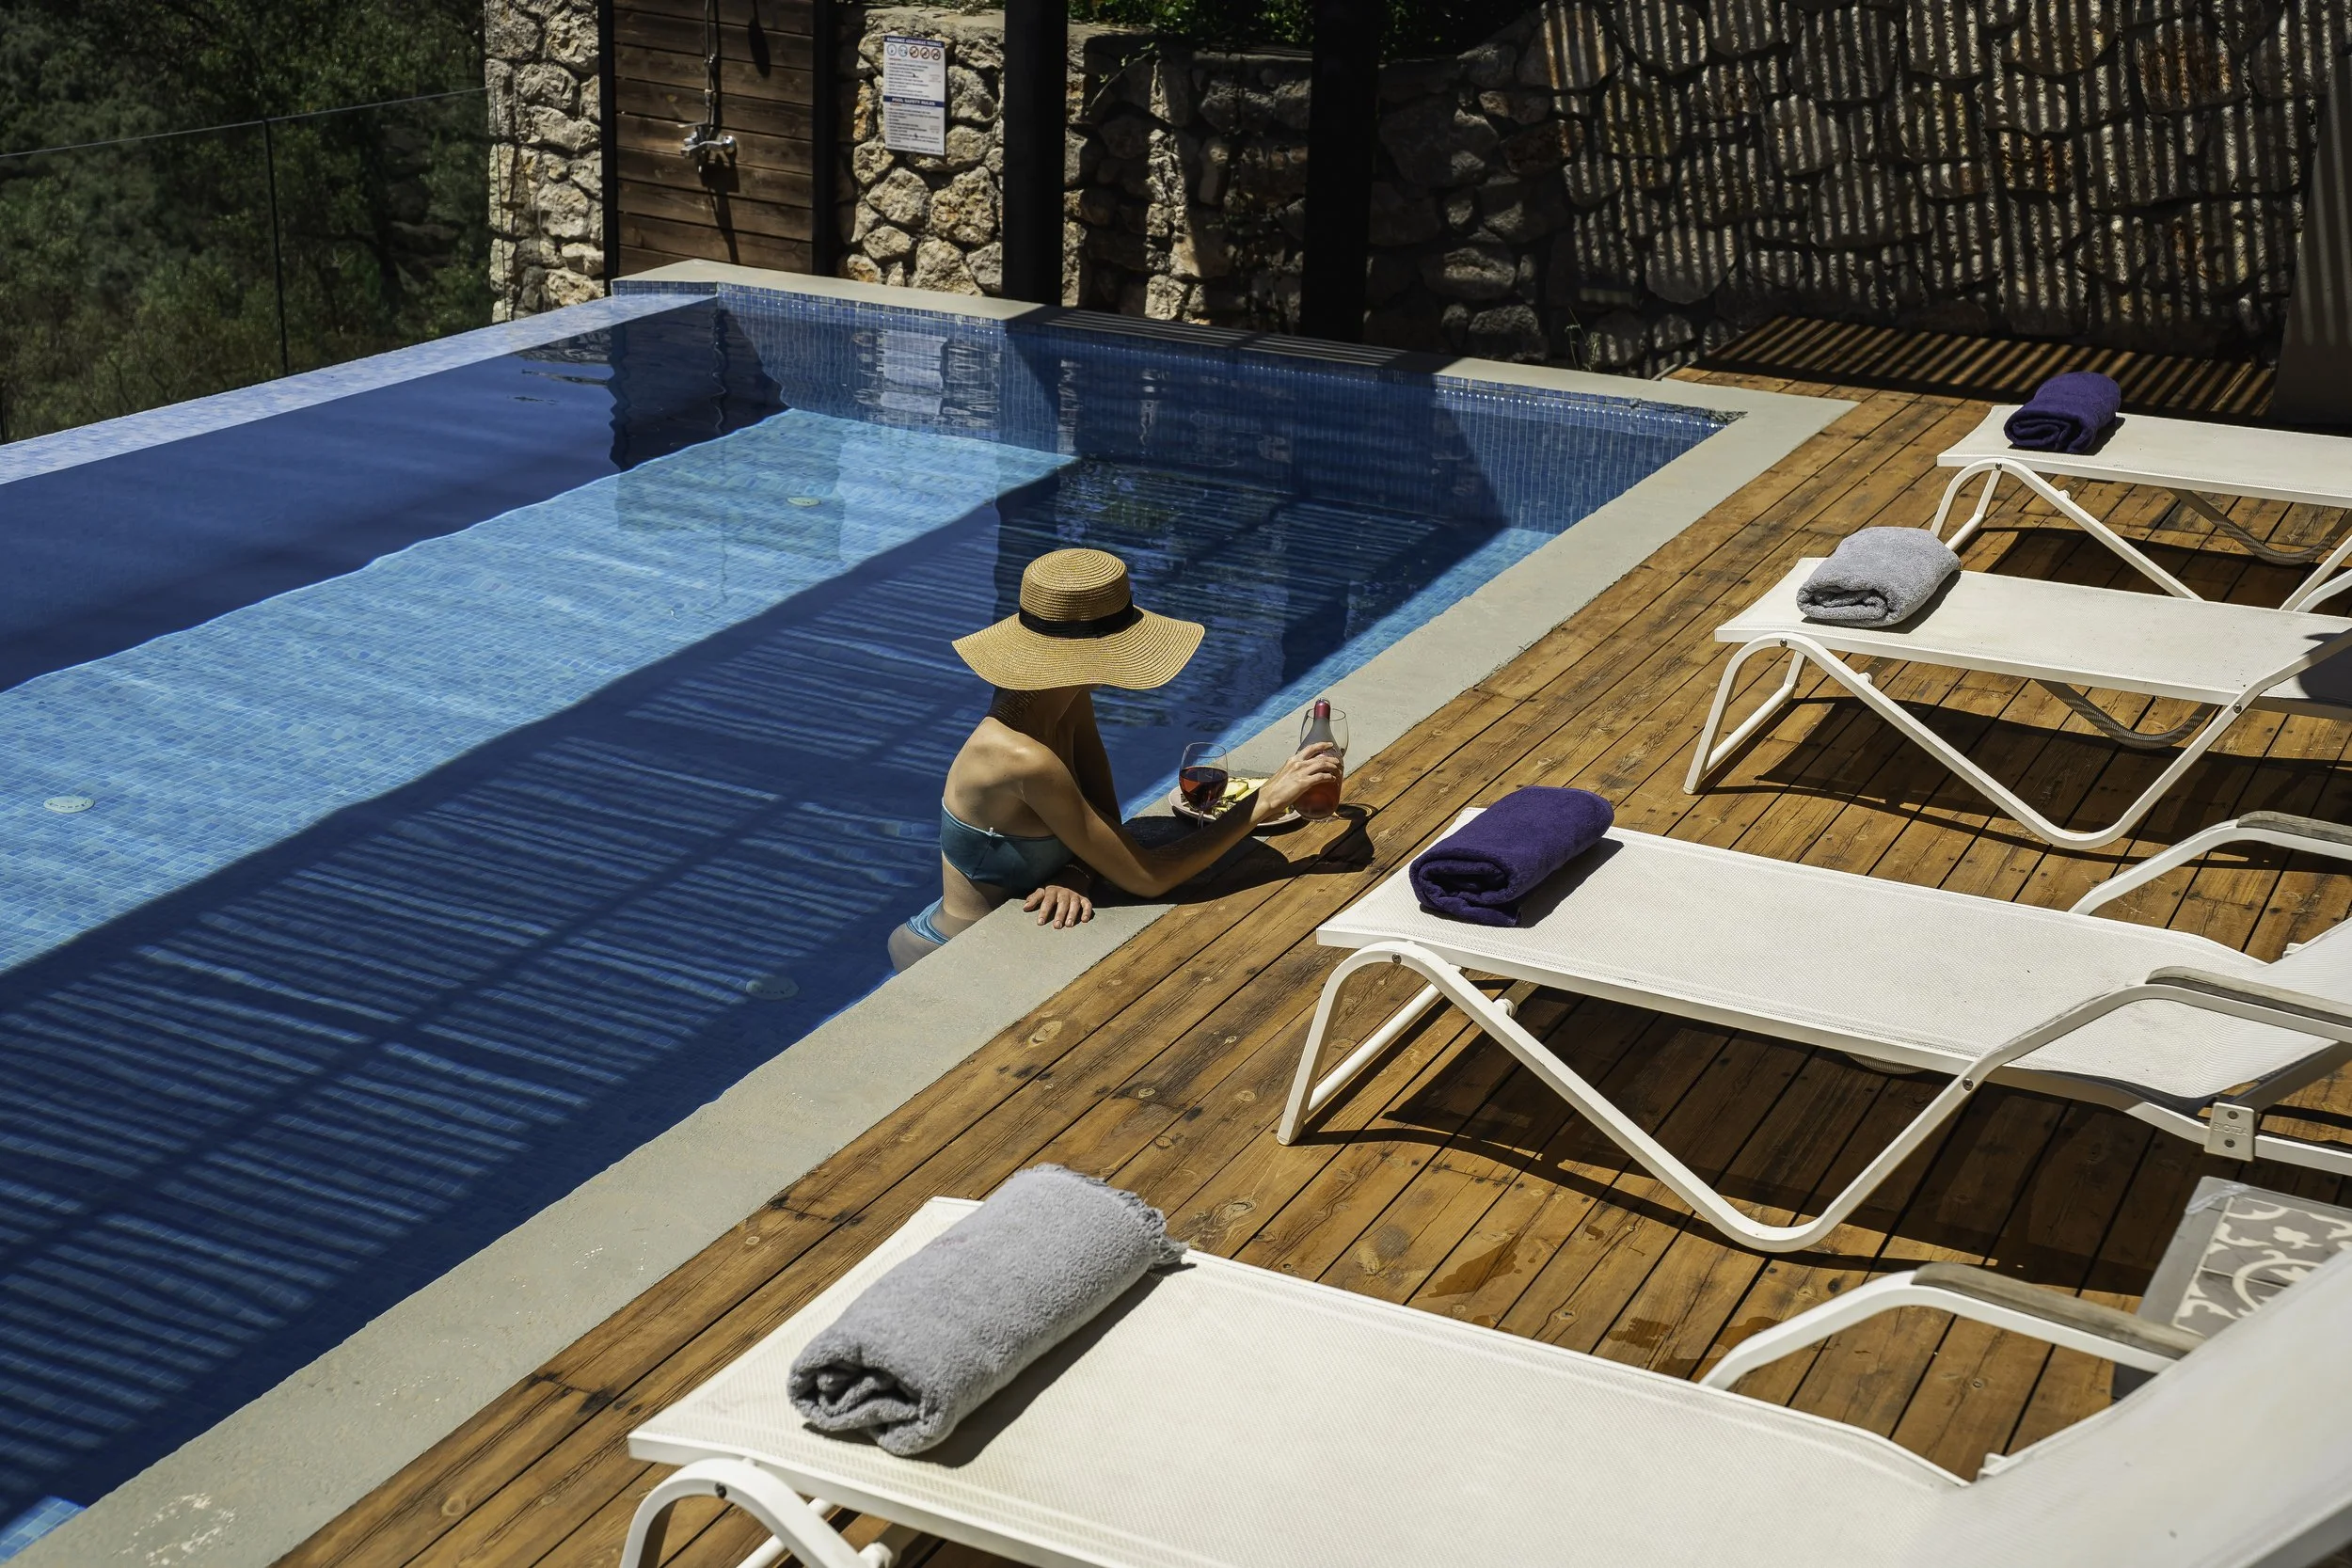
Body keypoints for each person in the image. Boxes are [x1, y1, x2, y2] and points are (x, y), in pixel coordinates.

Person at [890, 547, 1342, 971]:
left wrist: (1078, 869)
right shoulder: (1022, 757)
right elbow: (1148, 877)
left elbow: (1106, 819)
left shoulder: (1064, 699)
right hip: (954, 955)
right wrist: (1262, 803)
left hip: (1006, 934)